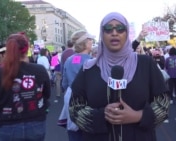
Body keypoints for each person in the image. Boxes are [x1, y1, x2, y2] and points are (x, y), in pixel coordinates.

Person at [69, 12, 168, 141]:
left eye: (120, 28)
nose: (114, 33)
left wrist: (138, 116)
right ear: (102, 34)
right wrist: (102, 115)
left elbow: (163, 103)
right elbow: (74, 108)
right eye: (108, 29)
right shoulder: (89, 69)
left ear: (126, 34)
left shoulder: (146, 64)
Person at [0, 32, 51, 141]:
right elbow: (47, 94)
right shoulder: (39, 70)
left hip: (8, 125)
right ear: (26, 49)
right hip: (36, 123)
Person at [59, 30, 94, 141]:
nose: (91, 41)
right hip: (88, 100)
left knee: (73, 131)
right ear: (84, 42)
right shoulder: (92, 61)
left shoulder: (69, 60)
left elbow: (64, 83)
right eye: (89, 40)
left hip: (71, 97)